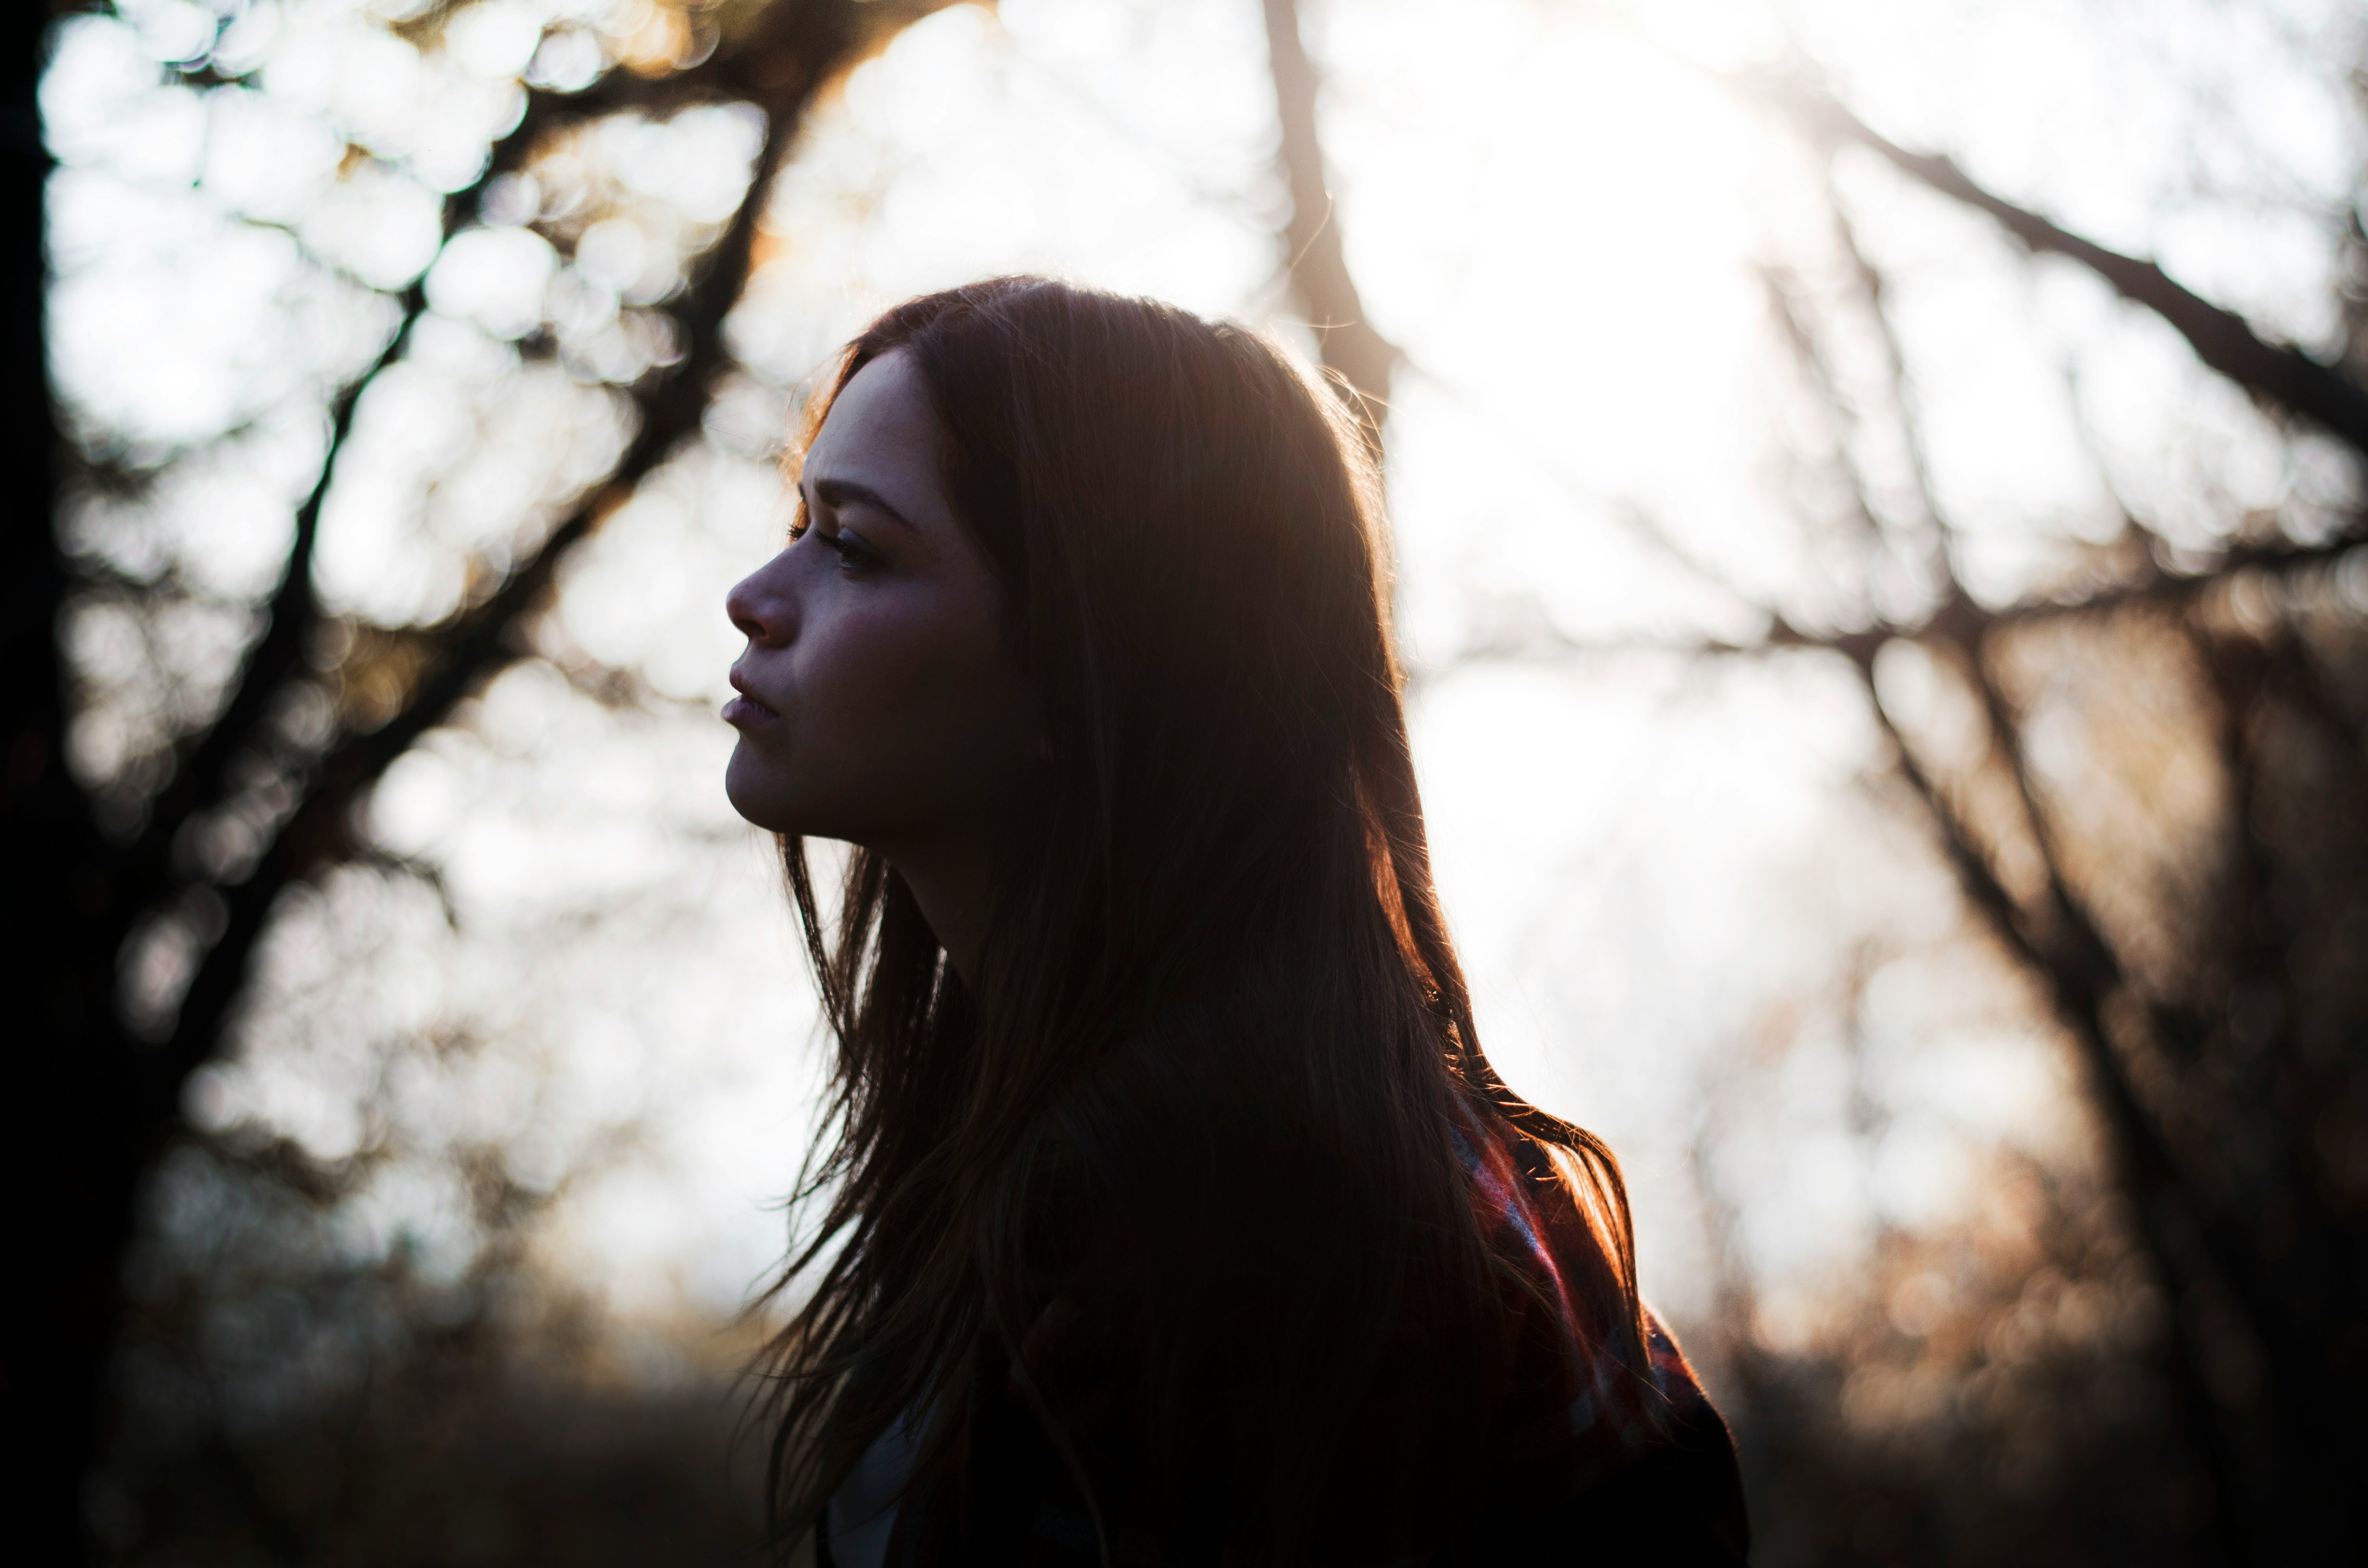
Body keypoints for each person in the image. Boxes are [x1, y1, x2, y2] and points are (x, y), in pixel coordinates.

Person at [721, 277, 1749, 1566]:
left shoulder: (1216, 1222)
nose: (755, 593)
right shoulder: (1119, 1133)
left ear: (1092, 661)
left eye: (857, 547)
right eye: (799, 520)